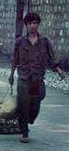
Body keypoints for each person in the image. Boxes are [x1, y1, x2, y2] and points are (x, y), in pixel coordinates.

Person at [9, 12, 65, 143]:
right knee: (24, 103)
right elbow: (15, 59)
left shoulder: (44, 42)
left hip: (37, 78)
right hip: (24, 77)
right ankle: (24, 132)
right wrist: (11, 75)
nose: (33, 26)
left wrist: (58, 70)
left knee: (36, 101)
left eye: (35, 23)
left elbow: (51, 58)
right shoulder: (20, 42)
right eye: (30, 23)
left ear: (38, 25)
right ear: (26, 25)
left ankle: (27, 119)